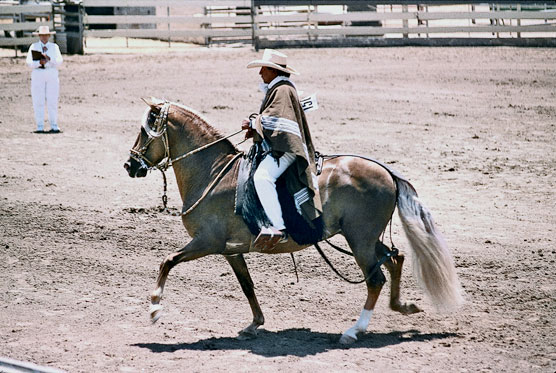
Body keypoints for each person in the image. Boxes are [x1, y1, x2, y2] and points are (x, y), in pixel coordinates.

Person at [242, 49, 322, 249]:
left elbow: (278, 120)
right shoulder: (280, 88)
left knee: (262, 177)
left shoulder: (282, 89)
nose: (260, 72)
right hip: (281, 145)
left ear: (273, 70)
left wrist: (254, 123)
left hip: (286, 149)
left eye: (263, 68)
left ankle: (278, 227)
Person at [26, 26, 63, 134]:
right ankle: (40, 125)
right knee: (38, 100)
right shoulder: (34, 46)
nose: (44, 37)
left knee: (52, 99)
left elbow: (60, 61)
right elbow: (29, 62)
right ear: (39, 36)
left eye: (46, 35)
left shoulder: (54, 47)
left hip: (51, 71)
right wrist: (39, 63)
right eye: (42, 35)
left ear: (49, 36)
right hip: (38, 73)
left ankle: (54, 124)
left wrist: (49, 59)